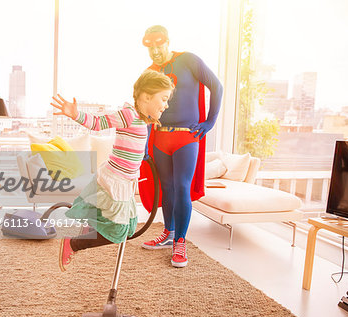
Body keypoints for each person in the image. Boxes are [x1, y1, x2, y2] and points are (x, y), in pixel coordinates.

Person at [50, 69, 174, 271]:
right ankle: (73, 244)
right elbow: (99, 123)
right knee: (118, 231)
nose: (166, 104)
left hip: (125, 182)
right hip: (114, 180)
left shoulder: (142, 119)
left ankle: (86, 231)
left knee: (127, 228)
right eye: (164, 98)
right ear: (147, 96)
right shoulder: (128, 114)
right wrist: (75, 114)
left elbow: (133, 143)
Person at [139, 25, 223, 267]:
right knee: (166, 187)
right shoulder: (149, 73)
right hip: (161, 137)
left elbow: (216, 86)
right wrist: (145, 145)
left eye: (158, 44)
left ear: (167, 41)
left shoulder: (188, 60)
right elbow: (145, 110)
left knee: (182, 187)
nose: (155, 50)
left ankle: (181, 242)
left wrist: (210, 122)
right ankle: (168, 233)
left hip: (187, 137)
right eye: (149, 47)